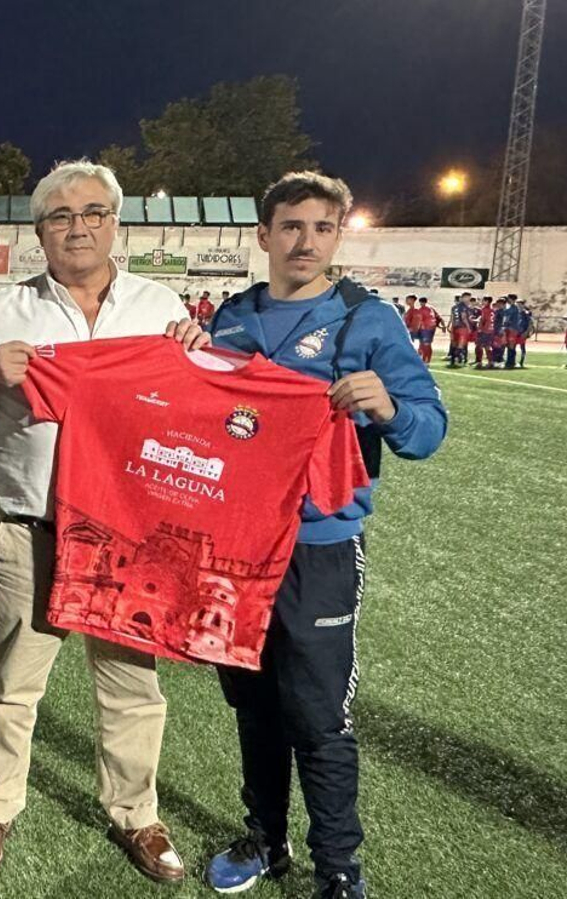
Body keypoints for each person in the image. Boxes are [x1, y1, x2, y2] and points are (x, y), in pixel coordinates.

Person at [0, 159, 206, 886]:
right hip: (33, 526)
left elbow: (192, 417)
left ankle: (135, 812)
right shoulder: (3, 310)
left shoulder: (160, 308)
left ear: (116, 222)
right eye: (59, 216)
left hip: (128, 535)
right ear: (39, 231)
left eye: (91, 212)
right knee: (12, 680)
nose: (77, 226)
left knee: (131, 685)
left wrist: (193, 360)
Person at [202, 172, 447, 899]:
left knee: (318, 713)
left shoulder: (368, 320)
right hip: (236, 550)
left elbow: (428, 431)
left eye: (321, 227)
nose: (305, 241)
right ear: (263, 235)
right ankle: (266, 840)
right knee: (253, 703)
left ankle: (339, 865)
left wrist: (387, 407)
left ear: (339, 234)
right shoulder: (231, 317)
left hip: (319, 546)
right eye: (290, 226)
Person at [474, 296, 497, 368]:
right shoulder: (492, 310)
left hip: (484, 330)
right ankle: (490, 362)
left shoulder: (485, 310)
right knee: (487, 346)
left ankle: (479, 362)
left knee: (479, 346)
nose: (482, 302)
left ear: (487, 301)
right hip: (490, 330)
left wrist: (480, 328)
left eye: (483, 300)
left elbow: (483, 320)